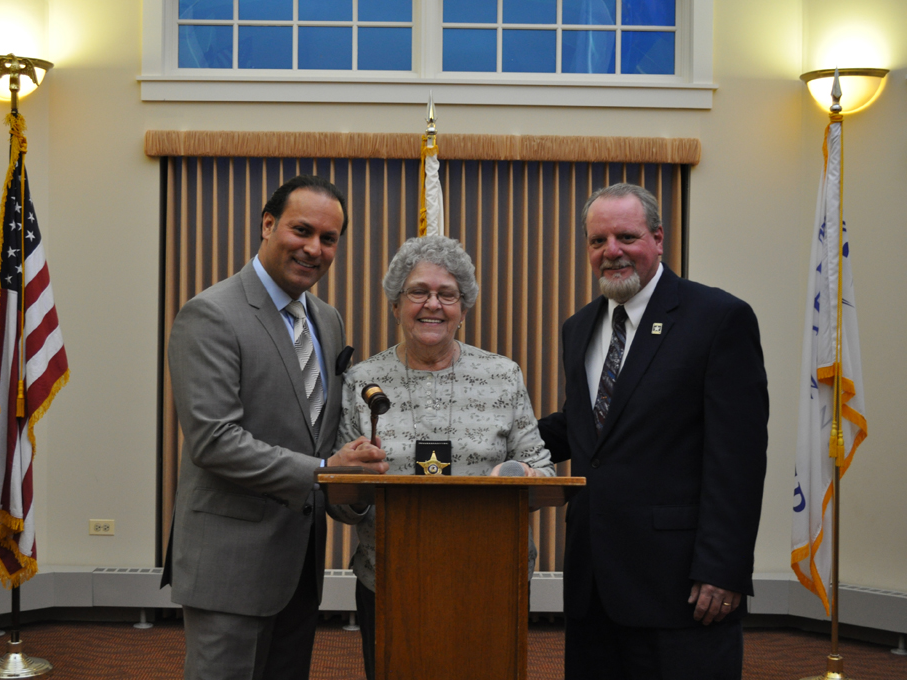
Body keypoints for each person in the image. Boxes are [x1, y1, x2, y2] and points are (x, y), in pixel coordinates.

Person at [538, 183, 768, 679]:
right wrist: (489, 432)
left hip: (680, 587)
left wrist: (722, 568)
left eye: (626, 236)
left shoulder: (717, 318)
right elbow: (583, 427)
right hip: (592, 584)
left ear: (659, 239)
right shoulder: (578, 328)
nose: (611, 251)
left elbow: (739, 458)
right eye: (598, 241)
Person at [166, 175, 389, 680]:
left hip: (299, 568)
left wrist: (354, 471)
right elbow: (214, 441)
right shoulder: (211, 315)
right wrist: (325, 469)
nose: (314, 248)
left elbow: (318, 433)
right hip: (229, 568)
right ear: (268, 225)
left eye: (328, 239)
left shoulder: (327, 320)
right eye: (302, 230)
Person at [329, 235, 554, 680]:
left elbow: (541, 469)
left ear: (463, 311)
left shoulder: (503, 376)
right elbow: (341, 503)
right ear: (395, 305)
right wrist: (353, 482)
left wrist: (519, 474)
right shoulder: (362, 380)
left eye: (447, 295)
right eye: (418, 292)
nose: (432, 304)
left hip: (489, 577)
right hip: (391, 579)